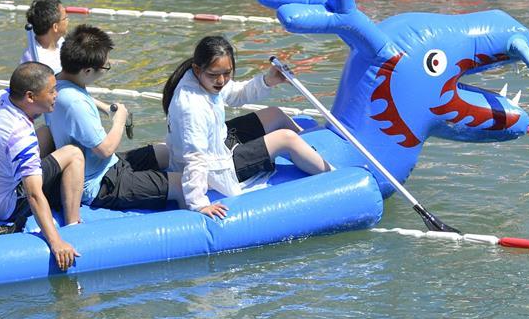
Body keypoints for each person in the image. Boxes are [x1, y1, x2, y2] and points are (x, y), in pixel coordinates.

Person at [162, 36, 333, 218]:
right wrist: (198, 203)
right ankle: (335, 176)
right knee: (286, 138)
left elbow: (236, 94)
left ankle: (310, 149)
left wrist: (269, 80)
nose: (221, 80)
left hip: (220, 143)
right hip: (215, 169)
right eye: (214, 75)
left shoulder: (205, 77)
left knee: (275, 114)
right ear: (197, 69)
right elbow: (195, 158)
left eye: (227, 73)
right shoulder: (192, 107)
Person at [0, 62, 84, 270]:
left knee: (45, 133)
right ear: (30, 97)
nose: (56, 95)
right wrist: (56, 242)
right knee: (74, 154)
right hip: (2, 206)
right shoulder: (20, 135)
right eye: (51, 91)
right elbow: (33, 194)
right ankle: (74, 225)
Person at [51, 25, 182, 211]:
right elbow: (105, 150)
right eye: (106, 66)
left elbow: (76, 97)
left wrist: (104, 107)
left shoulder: (56, 81)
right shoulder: (76, 104)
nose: (107, 68)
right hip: (99, 183)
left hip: (106, 165)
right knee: (182, 184)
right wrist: (119, 120)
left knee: (167, 151)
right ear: (87, 71)